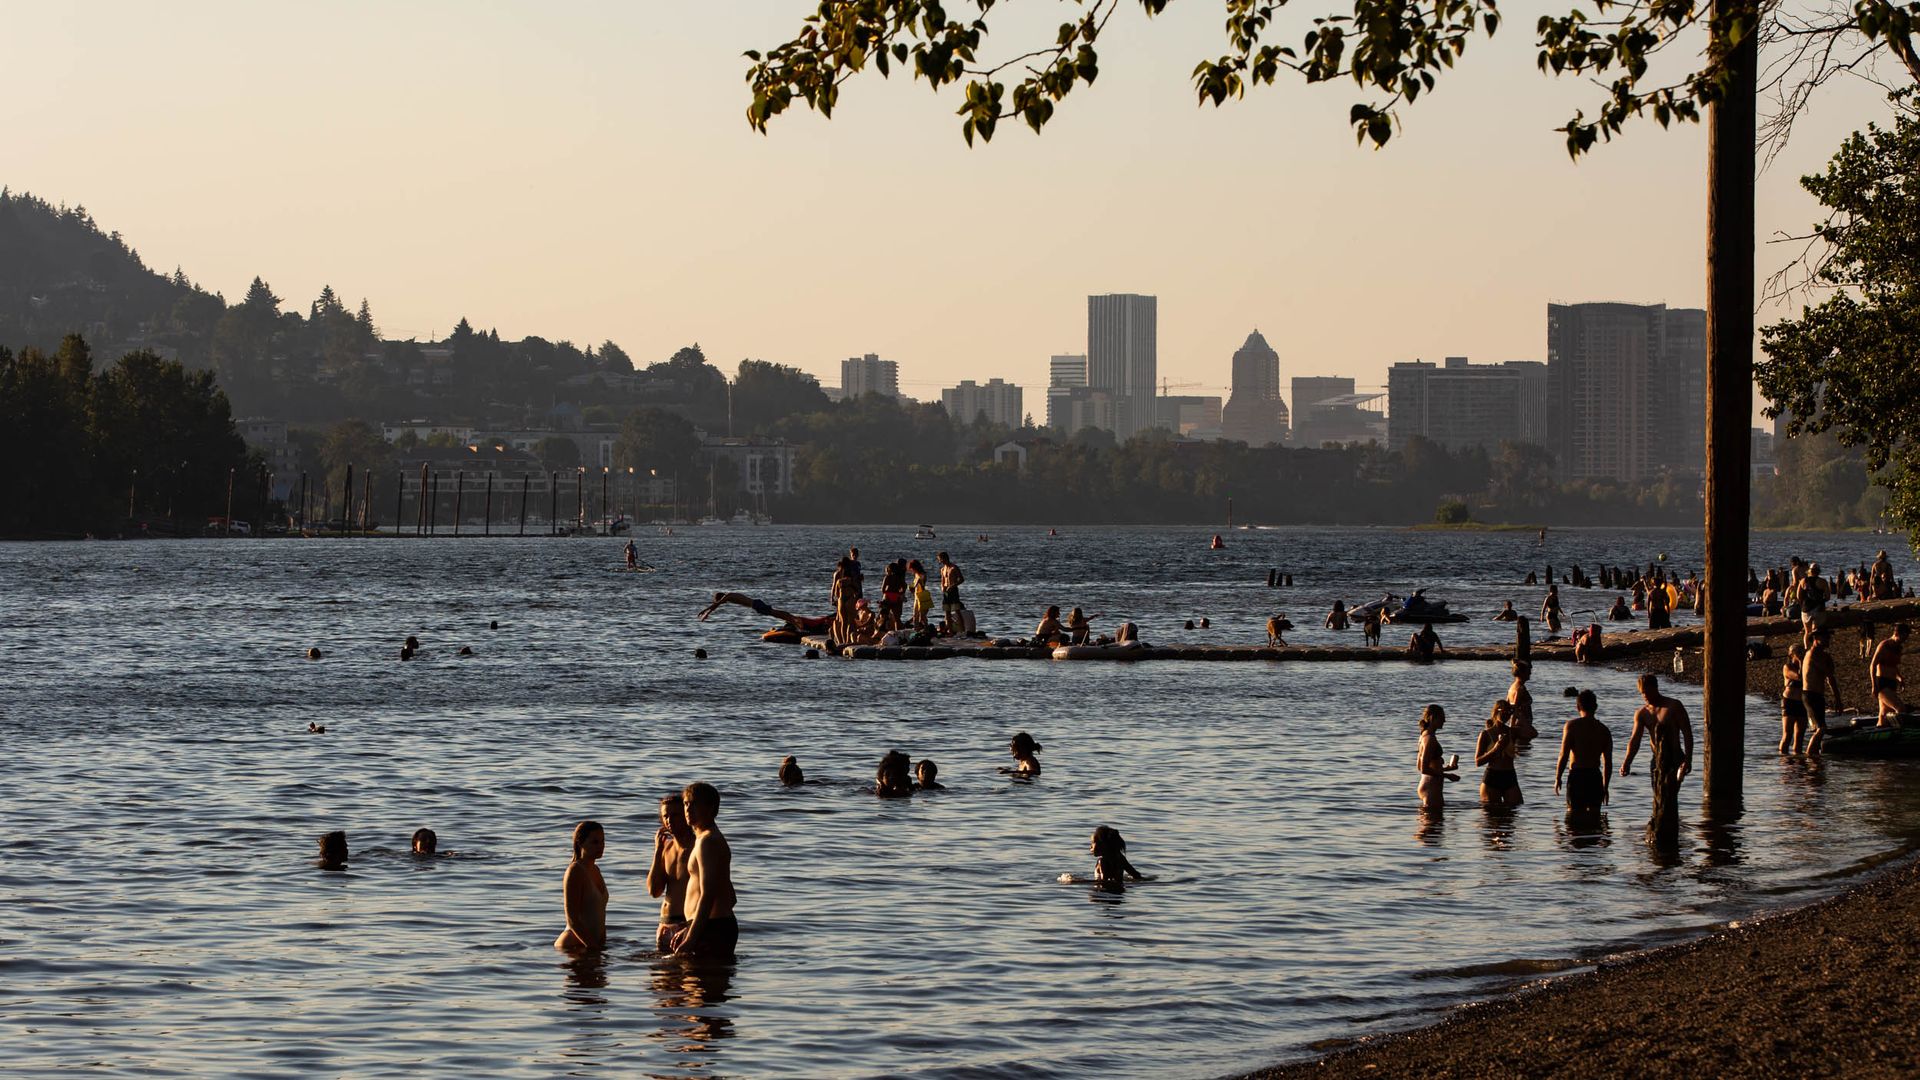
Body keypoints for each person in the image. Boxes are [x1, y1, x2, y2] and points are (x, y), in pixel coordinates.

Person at [1620, 675, 1694, 840]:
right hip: (1657, 759)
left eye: (1647, 691)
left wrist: (1688, 759)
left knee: (1671, 794)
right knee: (1659, 795)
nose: (1644, 696)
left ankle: (1670, 829)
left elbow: (1687, 733)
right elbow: (1635, 741)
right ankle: (1659, 826)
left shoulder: (1673, 706)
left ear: (1655, 688)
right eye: (1642, 693)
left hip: (1675, 757)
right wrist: (1627, 762)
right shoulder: (1642, 713)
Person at [669, 782, 736, 959]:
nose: (688, 809)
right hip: (709, 925)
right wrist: (691, 924)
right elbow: (731, 896)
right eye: (685, 803)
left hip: (714, 928)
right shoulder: (704, 839)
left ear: (710, 807)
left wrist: (691, 937)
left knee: (699, 985)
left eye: (694, 803)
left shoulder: (708, 841)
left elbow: (708, 894)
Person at [1554, 689, 1613, 815]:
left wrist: (1558, 777)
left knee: (1573, 821)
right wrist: (1605, 786)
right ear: (1596, 707)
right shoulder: (1604, 730)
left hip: (1577, 776)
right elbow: (1607, 762)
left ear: (1577, 707)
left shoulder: (1571, 726)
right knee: (1595, 820)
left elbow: (1563, 755)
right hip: (1595, 777)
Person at [648, 795, 694, 953]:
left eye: (675, 815)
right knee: (661, 977)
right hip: (665, 923)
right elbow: (654, 891)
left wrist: (692, 928)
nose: (670, 820)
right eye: (666, 816)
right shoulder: (665, 848)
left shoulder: (697, 847)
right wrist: (657, 852)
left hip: (686, 923)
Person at [555, 820, 608, 954]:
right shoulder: (575, 871)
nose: (600, 846)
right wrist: (593, 947)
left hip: (590, 946)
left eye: (602, 841)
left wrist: (601, 944)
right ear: (580, 843)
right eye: (595, 842)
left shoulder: (596, 869)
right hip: (573, 947)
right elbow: (572, 919)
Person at [696, 592, 832, 635]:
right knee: (777, 613)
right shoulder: (728, 596)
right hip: (756, 605)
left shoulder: (727, 596)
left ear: (720, 598)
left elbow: (716, 605)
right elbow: (717, 605)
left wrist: (706, 612)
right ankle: (795, 620)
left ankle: (796, 621)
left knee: (777, 614)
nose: (723, 603)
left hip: (756, 605)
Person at [1803, 628, 1843, 754]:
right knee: (1821, 728)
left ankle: (1814, 758)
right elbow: (1829, 676)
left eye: (1828, 637)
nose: (1828, 640)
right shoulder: (1813, 654)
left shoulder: (1823, 655)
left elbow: (1830, 673)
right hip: (1811, 695)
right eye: (1825, 638)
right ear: (1815, 639)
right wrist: (1837, 699)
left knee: (1819, 728)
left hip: (1817, 695)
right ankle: (1809, 757)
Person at [1475, 701, 1523, 807]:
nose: (1507, 715)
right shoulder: (1485, 734)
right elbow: (1478, 761)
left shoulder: (1513, 732)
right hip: (1492, 777)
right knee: (1493, 817)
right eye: (1504, 712)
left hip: (1510, 775)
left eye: (1509, 712)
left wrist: (1518, 714)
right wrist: (1496, 749)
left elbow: (1533, 733)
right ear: (1496, 711)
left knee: (1515, 810)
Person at [1416, 704, 1459, 810]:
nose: (1444, 721)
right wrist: (1447, 775)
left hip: (1428, 785)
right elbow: (1423, 768)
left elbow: (1419, 766)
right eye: (1442, 717)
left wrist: (1446, 768)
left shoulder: (1423, 736)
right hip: (1430, 787)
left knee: (1434, 824)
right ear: (1432, 718)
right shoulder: (1429, 739)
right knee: (1433, 822)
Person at [1870, 622, 1908, 726]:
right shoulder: (1884, 646)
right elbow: (1872, 665)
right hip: (1882, 684)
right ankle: (1900, 733)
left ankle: (1880, 735)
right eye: (1902, 638)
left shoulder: (1898, 648)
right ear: (1896, 634)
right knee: (1900, 708)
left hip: (1892, 683)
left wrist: (1899, 677)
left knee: (1883, 715)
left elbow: (1893, 666)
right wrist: (1874, 686)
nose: (1903, 641)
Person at [1780, 643, 1808, 754]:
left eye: (1803, 652)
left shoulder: (1806, 666)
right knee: (1787, 735)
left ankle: (1798, 764)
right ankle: (1784, 759)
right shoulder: (1787, 667)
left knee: (1799, 737)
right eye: (1798, 653)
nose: (1801, 654)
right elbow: (1798, 676)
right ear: (1792, 655)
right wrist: (1801, 662)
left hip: (1802, 703)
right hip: (1789, 703)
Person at [1507, 661, 1538, 742]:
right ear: (1522, 673)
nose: (1530, 673)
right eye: (1528, 671)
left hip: (1520, 723)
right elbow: (1515, 709)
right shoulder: (1520, 689)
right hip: (1522, 724)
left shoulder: (1512, 687)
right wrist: (1511, 728)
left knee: (1520, 749)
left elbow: (1507, 705)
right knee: (1525, 747)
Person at [937, 551, 965, 632]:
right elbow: (942, 580)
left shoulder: (954, 567)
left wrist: (952, 586)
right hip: (945, 592)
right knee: (947, 612)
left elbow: (961, 579)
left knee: (957, 611)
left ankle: (963, 631)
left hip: (953, 591)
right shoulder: (942, 569)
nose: (940, 561)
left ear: (944, 558)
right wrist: (942, 587)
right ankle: (950, 631)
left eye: (940, 560)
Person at [880, 559, 907, 631]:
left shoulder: (887, 577)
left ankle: (883, 632)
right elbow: (904, 586)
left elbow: (882, 589)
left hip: (888, 596)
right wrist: (901, 594)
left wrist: (886, 593)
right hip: (896, 596)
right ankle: (897, 633)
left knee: (884, 616)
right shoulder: (900, 577)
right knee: (897, 618)